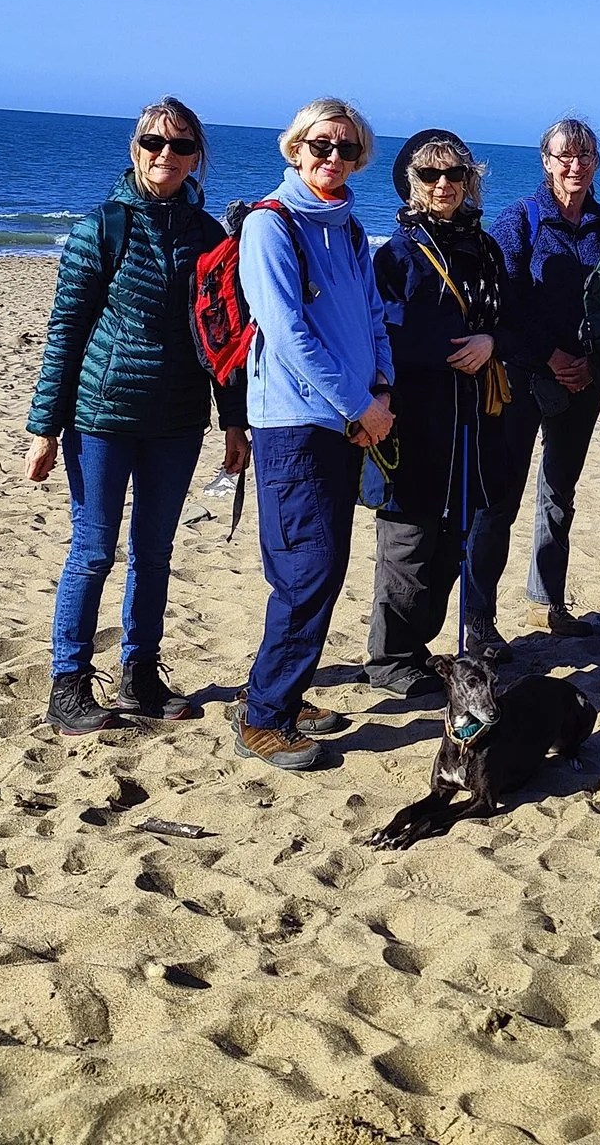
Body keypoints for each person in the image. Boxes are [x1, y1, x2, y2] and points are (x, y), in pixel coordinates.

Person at [25, 98, 250, 738]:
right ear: (135, 149)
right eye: (154, 142)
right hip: (102, 416)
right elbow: (65, 333)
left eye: (181, 145)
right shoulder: (100, 229)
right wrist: (44, 428)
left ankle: (140, 675)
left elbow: (222, 339)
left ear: (197, 157)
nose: (166, 155)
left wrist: (234, 422)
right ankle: (68, 685)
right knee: (93, 549)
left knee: (154, 551)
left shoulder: (210, 236)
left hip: (177, 419)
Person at [234, 99, 395, 770]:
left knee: (318, 571)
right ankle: (263, 717)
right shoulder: (270, 225)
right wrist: (360, 405)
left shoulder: (349, 228)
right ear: (295, 148)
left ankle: (282, 693)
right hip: (293, 423)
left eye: (346, 148)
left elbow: (373, 316)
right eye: (321, 145)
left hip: (347, 420)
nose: (333, 157)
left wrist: (380, 391)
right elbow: (288, 334)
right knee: (308, 570)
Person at [366, 130, 514, 693]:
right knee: (407, 540)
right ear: (412, 183)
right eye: (431, 175)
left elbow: (510, 319)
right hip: (416, 416)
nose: (444, 184)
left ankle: (416, 647)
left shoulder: (485, 249)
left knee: (453, 541)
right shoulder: (396, 255)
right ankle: (390, 659)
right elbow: (382, 337)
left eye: (455, 173)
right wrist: (450, 352)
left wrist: (491, 343)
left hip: (475, 419)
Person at [484, 118, 600, 641]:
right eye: (564, 156)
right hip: (522, 376)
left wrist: (593, 363)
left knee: (559, 493)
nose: (574, 166)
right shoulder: (519, 219)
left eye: (585, 156)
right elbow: (501, 301)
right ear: (546, 161)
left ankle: (547, 603)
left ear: (596, 163)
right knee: (501, 497)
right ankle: (482, 622)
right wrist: (549, 355)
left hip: (582, 380)